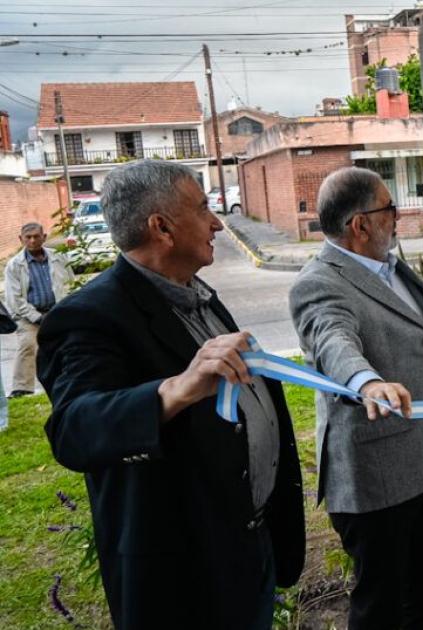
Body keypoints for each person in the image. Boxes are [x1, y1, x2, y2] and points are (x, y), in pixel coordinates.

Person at [38, 160, 306, 630]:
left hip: (247, 551)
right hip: (183, 578)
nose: (218, 223)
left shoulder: (196, 293)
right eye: (204, 209)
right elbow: (75, 429)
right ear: (161, 227)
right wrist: (176, 389)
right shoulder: (90, 315)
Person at [289, 166, 423, 630]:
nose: (397, 216)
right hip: (378, 482)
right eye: (389, 208)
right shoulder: (319, 284)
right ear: (360, 224)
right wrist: (366, 383)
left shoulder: (392, 268)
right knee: (383, 608)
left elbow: (420, 350)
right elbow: (331, 340)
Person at [4, 222, 73, 398]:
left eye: (36, 236)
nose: (33, 240)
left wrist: (64, 310)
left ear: (44, 237)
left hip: (58, 311)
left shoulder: (58, 257)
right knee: (28, 344)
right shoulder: (14, 265)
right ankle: (21, 388)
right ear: (21, 239)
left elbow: (70, 284)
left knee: (72, 341)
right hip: (28, 317)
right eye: (28, 237)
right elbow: (15, 299)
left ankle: (73, 378)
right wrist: (37, 317)